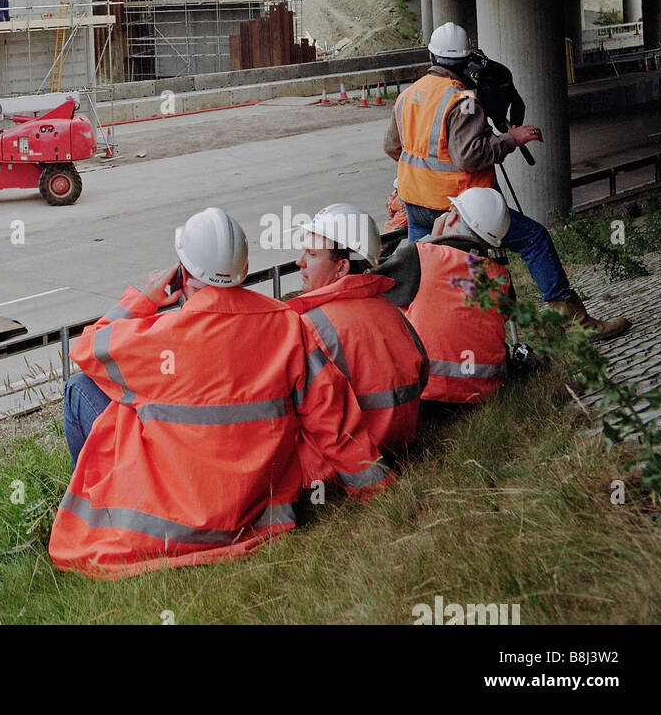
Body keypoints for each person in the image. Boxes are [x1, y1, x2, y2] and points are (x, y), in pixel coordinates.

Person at [50, 208, 390, 577]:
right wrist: (374, 485)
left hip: (169, 521)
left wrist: (141, 301)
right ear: (241, 270)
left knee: (81, 388)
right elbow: (331, 418)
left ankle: (96, 507)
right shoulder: (287, 324)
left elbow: (85, 349)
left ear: (183, 273)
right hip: (258, 512)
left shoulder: (159, 336)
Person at [384, 22, 629, 340]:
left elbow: (392, 147)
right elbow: (470, 156)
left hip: (415, 203)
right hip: (460, 207)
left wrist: (425, 174)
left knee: (422, 271)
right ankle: (576, 324)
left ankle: (418, 339)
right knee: (535, 239)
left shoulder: (408, 96)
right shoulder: (463, 100)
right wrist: (510, 139)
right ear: (465, 61)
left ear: (430, 55)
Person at [287, 203, 428, 465]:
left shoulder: (310, 325)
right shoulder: (391, 310)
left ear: (341, 268)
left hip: (355, 455)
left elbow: (301, 411)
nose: (300, 262)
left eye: (312, 254)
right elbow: (422, 373)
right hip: (404, 440)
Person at [377, 187, 513, 404]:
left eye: (450, 212)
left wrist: (430, 239)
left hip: (426, 393)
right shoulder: (500, 276)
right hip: (485, 392)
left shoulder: (420, 256)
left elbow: (369, 281)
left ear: (454, 219)